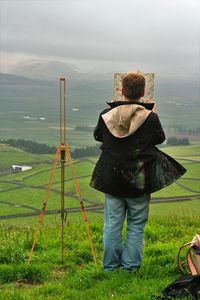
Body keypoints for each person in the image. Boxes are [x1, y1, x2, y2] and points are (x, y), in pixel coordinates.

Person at [90, 72, 186, 272]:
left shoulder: (106, 116)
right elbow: (159, 139)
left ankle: (110, 268)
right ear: (143, 92)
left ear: (122, 91)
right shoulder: (150, 118)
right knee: (135, 226)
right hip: (139, 181)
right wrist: (151, 113)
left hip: (112, 180)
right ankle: (130, 269)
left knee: (112, 225)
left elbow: (98, 136)